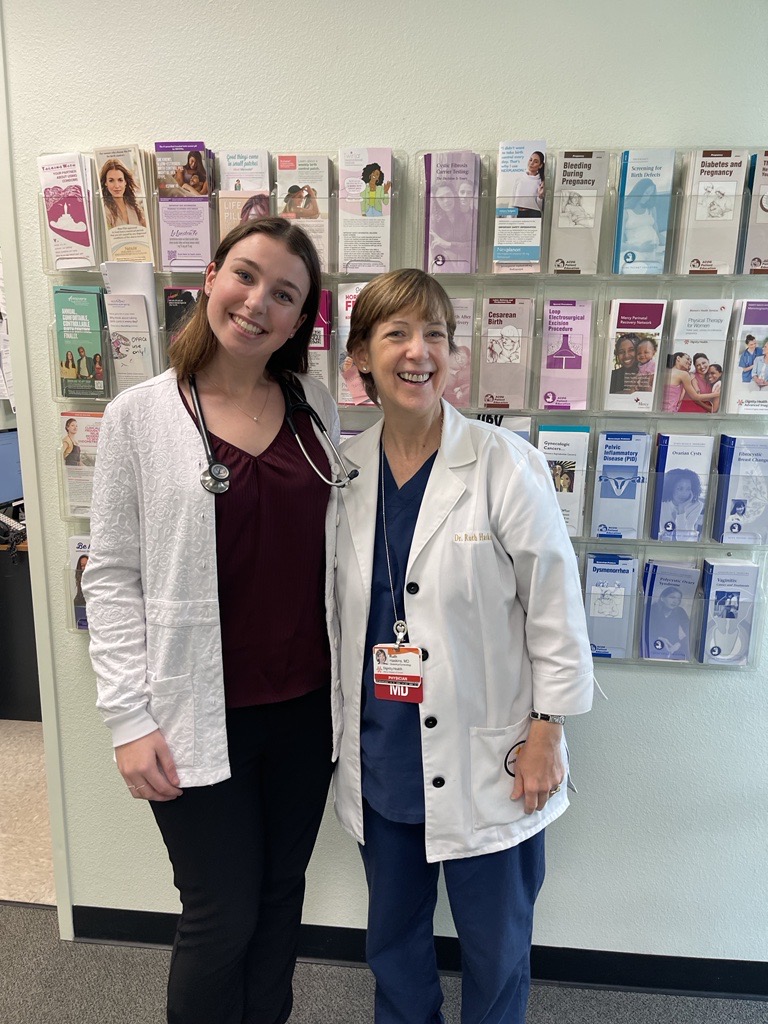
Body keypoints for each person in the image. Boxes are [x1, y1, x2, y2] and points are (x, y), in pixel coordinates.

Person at [83, 217, 343, 1024]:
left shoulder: (315, 408)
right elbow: (113, 575)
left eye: (285, 294)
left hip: (305, 712)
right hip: (196, 714)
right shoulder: (140, 416)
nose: (258, 301)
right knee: (220, 914)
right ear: (210, 278)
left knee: (277, 904)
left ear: (302, 321)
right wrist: (128, 717)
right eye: (246, 274)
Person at [333, 268, 594, 1024]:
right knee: (394, 945)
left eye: (436, 335)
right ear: (360, 358)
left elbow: (555, 608)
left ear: (453, 354)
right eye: (397, 334)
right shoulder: (345, 470)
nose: (419, 352)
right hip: (382, 756)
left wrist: (548, 731)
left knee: (497, 948)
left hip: (494, 758)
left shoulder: (504, 463)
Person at [100, 158, 148, 228]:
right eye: (111, 180)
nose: (116, 186)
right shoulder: (104, 210)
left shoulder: (134, 206)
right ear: (105, 183)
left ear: (125, 182)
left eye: (120, 180)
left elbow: (148, 230)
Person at [658, 468, 704, 541]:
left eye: (688, 489)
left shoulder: (697, 505)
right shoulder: (661, 503)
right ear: (671, 488)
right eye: (680, 488)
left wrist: (681, 510)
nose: (684, 493)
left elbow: (682, 538)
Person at [647, 586, 690, 660]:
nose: (675, 601)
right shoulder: (652, 610)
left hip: (674, 650)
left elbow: (690, 632)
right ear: (662, 598)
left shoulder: (680, 611)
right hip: (654, 648)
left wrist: (679, 644)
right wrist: (658, 638)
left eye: (678, 599)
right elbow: (644, 632)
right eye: (672, 597)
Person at [512, 150, 545, 217]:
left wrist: (540, 196)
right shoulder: (519, 179)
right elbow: (512, 200)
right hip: (519, 214)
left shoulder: (541, 182)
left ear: (540, 165)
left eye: (535, 161)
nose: (531, 163)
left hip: (533, 214)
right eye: (530, 160)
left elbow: (540, 207)